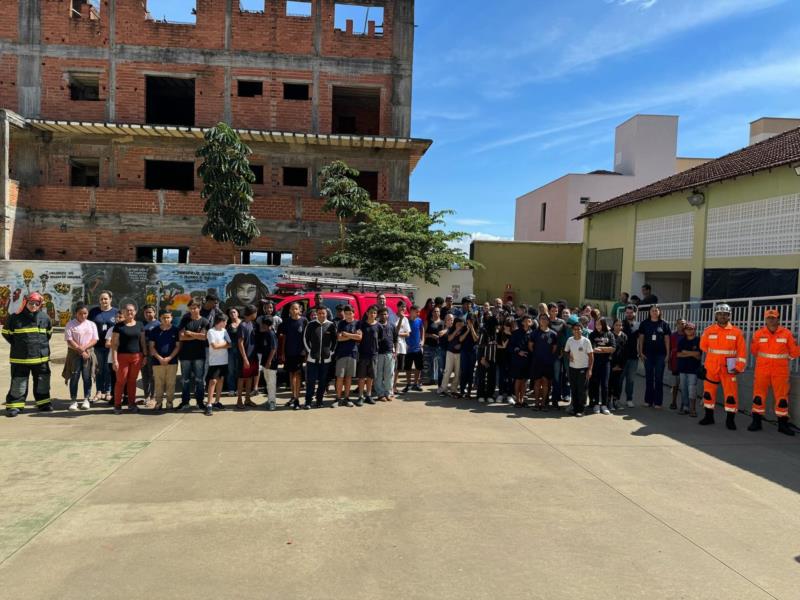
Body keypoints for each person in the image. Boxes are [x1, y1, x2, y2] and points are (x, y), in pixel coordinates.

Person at [748, 309, 799, 435]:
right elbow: (754, 351)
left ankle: (782, 425)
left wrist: (785, 360)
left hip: (780, 371)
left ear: (778, 319)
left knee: (782, 399)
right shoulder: (758, 334)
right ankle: (756, 422)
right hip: (762, 370)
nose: (771, 320)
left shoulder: (786, 333)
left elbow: (795, 351)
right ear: (765, 319)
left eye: (774, 317)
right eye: (769, 317)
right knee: (758, 397)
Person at [3, 292, 53, 417]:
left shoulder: (45, 318)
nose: (34, 306)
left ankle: (44, 403)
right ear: (25, 303)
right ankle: (15, 406)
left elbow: (48, 334)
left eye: (37, 303)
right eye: (31, 303)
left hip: (41, 357)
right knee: (19, 382)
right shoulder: (14, 318)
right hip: (20, 358)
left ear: (40, 304)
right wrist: (20, 345)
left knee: (43, 381)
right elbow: (6, 333)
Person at [698, 304, 746, 430]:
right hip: (712, 367)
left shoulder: (737, 332)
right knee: (708, 394)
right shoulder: (708, 330)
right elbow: (703, 346)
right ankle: (709, 417)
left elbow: (742, 351)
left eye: (725, 314)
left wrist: (739, 366)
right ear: (716, 315)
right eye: (720, 314)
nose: (722, 316)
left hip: (729, 367)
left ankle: (730, 420)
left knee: (731, 395)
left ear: (729, 316)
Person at [111, 302, 146, 414]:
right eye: (127, 310)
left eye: (131, 310)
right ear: (123, 312)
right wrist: (115, 360)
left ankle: (131, 404)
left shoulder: (140, 325)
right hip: (122, 357)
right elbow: (114, 344)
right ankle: (117, 405)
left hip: (137, 357)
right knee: (121, 381)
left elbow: (143, 342)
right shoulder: (118, 326)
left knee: (132, 381)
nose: (129, 312)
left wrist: (145, 356)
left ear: (135, 312)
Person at [63, 302, 99, 411]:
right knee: (74, 377)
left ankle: (86, 399)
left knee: (87, 377)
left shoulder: (91, 324)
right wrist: (81, 350)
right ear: (76, 314)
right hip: (74, 354)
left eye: (85, 313)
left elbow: (95, 339)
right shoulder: (70, 324)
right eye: (80, 314)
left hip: (88, 354)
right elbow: (69, 340)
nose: (83, 316)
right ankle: (73, 400)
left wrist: (84, 349)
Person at [303, 305, 337, 409]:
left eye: (323, 313)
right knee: (311, 381)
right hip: (312, 359)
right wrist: (310, 351)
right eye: (319, 313)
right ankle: (308, 401)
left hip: (326, 359)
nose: (321, 315)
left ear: (326, 314)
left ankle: (319, 401)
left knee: (323, 381)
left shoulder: (331, 325)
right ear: (316, 314)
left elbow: (335, 341)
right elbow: (305, 339)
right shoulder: (311, 324)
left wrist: (330, 353)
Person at [177, 300, 209, 411]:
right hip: (185, 355)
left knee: (199, 380)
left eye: (195, 308)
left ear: (199, 308)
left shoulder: (204, 321)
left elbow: (204, 337)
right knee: (185, 380)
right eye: (191, 308)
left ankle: (200, 403)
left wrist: (190, 333)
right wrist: (197, 335)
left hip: (199, 355)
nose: (193, 310)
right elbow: (181, 337)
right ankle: (185, 402)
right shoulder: (185, 320)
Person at [637, 305, 671, 408]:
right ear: (649, 312)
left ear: (659, 312)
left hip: (661, 355)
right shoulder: (644, 323)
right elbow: (641, 339)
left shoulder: (664, 324)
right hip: (648, 354)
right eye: (652, 310)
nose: (654, 312)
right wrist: (641, 352)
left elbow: (667, 340)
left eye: (656, 310)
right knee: (649, 378)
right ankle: (648, 401)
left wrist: (668, 354)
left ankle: (658, 403)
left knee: (659, 378)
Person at [147, 309, 181, 411]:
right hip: (157, 362)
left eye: (168, 317)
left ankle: (169, 402)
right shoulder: (155, 330)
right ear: (160, 318)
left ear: (171, 318)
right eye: (164, 317)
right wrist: (160, 358)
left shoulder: (175, 330)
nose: (166, 319)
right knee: (158, 383)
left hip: (172, 361)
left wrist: (169, 358)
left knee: (171, 383)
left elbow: (178, 346)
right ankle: (159, 402)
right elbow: (151, 347)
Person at [88, 290, 117, 403]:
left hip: (111, 347)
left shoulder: (116, 312)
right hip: (97, 346)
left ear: (110, 299)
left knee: (109, 369)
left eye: (106, 298)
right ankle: (99, 391)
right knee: (99, 369)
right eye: (101, 299)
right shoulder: (93, 312)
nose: (103, 301)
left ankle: (108, 391)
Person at [278, 302, 307, 410]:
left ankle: (297, 399)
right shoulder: (286, 322)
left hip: (300, 353)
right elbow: (283, 339)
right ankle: (293, 396)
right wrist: (282, 353)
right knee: (291, 375)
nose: (294, 310)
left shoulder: (304, 321)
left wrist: (305, 351)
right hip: (289, 353)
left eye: (296, 309)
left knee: (297, 375)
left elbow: (306, 338)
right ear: (290, 310)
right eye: (292, 309)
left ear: (300, 310)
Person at [564, 321, 594, 417]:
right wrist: (569, 356)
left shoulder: (586, 341)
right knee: (574, 389)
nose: (577, 331)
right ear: (572, 330)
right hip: (572, 368)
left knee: (582, 390)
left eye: (579, 329)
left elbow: (591, 356)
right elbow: (565, 351)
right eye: (575, 329)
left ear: (582, 330)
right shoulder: (570, 340)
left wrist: (589, 370)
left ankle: (582, 410)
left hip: (583, 368)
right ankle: (575, 408)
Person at [530, 314, 558, 411]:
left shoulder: (553, 334)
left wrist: (548, 356)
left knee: (546, 383)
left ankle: (543, 403)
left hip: (548, 362)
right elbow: (530, 346)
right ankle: (536, 403)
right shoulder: (534, 333)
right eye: (541, 319)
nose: (543, 320)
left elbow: (554, 348)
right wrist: (537, 355)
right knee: (537, 383)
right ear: (539, 320)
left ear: (548, 321)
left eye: (545, 319)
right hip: (537, 362)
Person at [335, 305, 361, 407]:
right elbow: (339, 338)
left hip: (353, 353)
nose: (348, 315)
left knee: (349, 377)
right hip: (341, 354)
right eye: (346, 314)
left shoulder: (358, 323)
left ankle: (346, 398)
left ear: (353, 313)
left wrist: (347, 334)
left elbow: (359, 337)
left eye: (350, 313)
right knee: (340, 377)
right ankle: (338, 398)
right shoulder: (341, 323)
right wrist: (352, 336)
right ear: (344, 314)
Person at [588, 316, 615, 415]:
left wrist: (601, 349)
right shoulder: (592, 334)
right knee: (595, 383)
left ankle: (604, 404)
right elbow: (592, 349)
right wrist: (605, 349)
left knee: (605, 384)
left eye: (600, 324)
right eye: (596, 324)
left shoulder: (609, 334)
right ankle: (596, 404)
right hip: (595, 363)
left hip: (606, 363)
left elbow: (613, 348)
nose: (598, 326)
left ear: (603, 324)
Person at [205, 314, 231, 416]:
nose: (226, 323)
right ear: (220, 321)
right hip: (214, 361)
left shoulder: (224, 331)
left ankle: (217, 402)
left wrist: (223, 345)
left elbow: (230, 343)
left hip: (224, 361)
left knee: (221, 380)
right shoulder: (211, 331)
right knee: (213, 382)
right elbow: (214, 346)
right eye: (225, 321)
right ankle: (209, 404)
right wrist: (224, 344)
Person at [357, 305, 381, 405]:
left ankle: (368, 395)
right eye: (371, 312)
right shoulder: (362, 324)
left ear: (376, 315)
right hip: (363, 354)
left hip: (374, 355)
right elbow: (358, 338)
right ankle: (360, 396)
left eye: (374, 313)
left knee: (371, 377)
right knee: (362, 377)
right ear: (367, 313)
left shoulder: (379, 326)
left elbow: (380, 339)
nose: (372, 314)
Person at [676, 322, 701, 416]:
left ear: (695, 330)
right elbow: (678, 354)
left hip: (693, 370)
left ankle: (692, 409)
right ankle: (685, 407)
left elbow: (698, 355)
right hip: (682, 369)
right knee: (683, 388)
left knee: (692, 389)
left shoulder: (698, 340)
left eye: (691, 329)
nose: (689, 331)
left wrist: (685, 352)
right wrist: (692, 353)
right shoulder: (682, 341)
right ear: (684, 330)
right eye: (687, 329)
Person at [237, 305, 259, 409]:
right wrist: (245, 359)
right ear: (252, 313)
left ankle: (247, 399)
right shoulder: (242, 325)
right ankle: (239, 400)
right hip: (245, 357)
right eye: (256, 312)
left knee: (250, 378)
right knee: (242, 378)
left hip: (253, 356)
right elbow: (240, 343)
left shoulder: (251, 323)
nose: (256, 314)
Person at [374, 307, 397, 402]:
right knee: (378, 374)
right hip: (379, 353)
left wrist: (395, 351)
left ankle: (388, 393)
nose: (384, 316)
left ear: (388, 315)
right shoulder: (376, 326)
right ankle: (380, 394)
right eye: (382, 314)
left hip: (389, 353)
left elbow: (395, 340)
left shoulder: (392, 326)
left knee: (389, 374)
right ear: (378, 315)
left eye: (385, 314)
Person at [618, 305, 639, 408]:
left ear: (635, 313)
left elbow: (641, 340)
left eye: (631, 312)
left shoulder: (638, 325)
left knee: (631, 380)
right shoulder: (620, 324)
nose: (629, 314)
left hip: (634, 357)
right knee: (619, 379)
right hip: (621, 357)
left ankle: (629, 399)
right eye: (627, 312)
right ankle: (616, 399)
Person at [510, 314, 532, 407]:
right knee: (518, 380)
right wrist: (519, 352)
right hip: (518, 359)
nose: (528, 322)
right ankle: (517, 400)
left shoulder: (533, 333)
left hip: (528, 360)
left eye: (530, 320)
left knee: (525, 381)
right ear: (522, 322)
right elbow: (511, 346)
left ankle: (522, 399)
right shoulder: (516, 333)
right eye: (526, 320)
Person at [140, 304, 160, 408]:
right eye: (146, 312)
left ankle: (153, 397)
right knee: (145, 376)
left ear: (154, 312)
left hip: (153, 354)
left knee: (153, 376)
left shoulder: (158, 324)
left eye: (150, 312)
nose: (148, 314)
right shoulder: (141, 324)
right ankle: (146, 396)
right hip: (143, 354)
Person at [547, 303, 567, 408]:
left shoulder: (562, 322)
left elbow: (564, 339)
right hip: (546, 353)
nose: (555, 312)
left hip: (558, 354)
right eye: (552, 310)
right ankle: (545, 398)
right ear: (549, 311)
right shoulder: (545, 321)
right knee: (546, 377)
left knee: (557, 377)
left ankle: (555, 399)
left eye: (556, 310)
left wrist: (562, 351)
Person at [438, 317, 464, 397]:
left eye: (461, 324)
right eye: (458, 323)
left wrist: (461, 345)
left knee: (457, 372)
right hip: (450, 352)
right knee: (447, 371)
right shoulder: (451, 329)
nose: (460, 325)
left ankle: (454, 389)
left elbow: (464, 341)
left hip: (459, 354)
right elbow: (449, 339)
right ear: (455, 323)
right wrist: (456, 330)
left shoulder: (464, 330)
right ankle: (443, 389)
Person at [402, 305, 425, 393]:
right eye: (417, 312)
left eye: (419, 312)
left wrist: (422, 341)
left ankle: (415, 384)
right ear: (411, 311)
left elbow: (422, 329)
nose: (418, 313)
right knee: (408, 368)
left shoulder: (419, 320)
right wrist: (405, 343)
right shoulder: (406, 320)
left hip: (418, 348)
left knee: (418, 367)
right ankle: (408, 384)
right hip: (408, 349)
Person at [475, 314, 498, 403]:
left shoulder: (496, 333)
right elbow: (480, 345)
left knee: (492, 378)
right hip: (483, 358)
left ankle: (490, 395)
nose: (497, 327)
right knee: (482, 377)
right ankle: (480, 395)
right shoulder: (483, 331)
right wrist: (482, 358)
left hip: (493, 358)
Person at [608, 319, 627, 411]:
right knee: (610, 383)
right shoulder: (609, 335)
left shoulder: (624, 336)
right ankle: (609, 402)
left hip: (621, 365)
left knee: (618, 384)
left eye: (620, 325)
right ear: (613, 325)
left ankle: (616, 401)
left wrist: (620, 365)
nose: (619, 327)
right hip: (611, 364)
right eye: (616, 325)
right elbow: (609, 351)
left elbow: (625, 352)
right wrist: (613, 366)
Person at [260, 317, 279, 411]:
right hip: (265, 361)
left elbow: (273, 348)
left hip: (271, 362)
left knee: (271, 382)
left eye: (263, 324)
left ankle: (272, 402)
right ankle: (269, 399)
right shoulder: (266, 333)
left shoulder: (271, 334)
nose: (261, 326)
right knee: (268, 382)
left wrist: (269, 361)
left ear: (266, 325)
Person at [668, 319, 686, 410]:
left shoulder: (688, 335)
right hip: (675, 362)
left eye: (683, 324)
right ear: (676, 324)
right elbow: (669, 349)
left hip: (685, 364)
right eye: (679, 323)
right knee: (675, 385)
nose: (681, 325)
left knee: (684, 385)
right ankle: (673, 402)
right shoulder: (673, 336)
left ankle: (684, 404)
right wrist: (669, 362)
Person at [423, 307, 444, 385]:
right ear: (432, 313)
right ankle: (428, 380)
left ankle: (437, 380)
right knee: (428, 363)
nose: (436, 313)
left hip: (439, 346)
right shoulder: (428, 321)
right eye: (434, 311)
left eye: (438, 311)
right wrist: (432, 336)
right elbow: (423, 333)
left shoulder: (443, 322)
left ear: (440, 313)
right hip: (428, 345)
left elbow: (445, 333)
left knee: (438, 364)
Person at [225, 307, 242, 394]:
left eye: (234, 312)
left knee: (239, 370)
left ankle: (239, 389)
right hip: (231, 351)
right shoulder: (228, 326)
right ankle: (231, 389)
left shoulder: (243, 323)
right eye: (231, 313)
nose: (232, 314)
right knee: (231, 370)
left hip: (242, 350)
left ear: (238, 313)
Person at [496, 318, 513, 404]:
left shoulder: (514, 334)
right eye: (506, 325)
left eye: (509, 325)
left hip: (511, 359)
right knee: (501, 377)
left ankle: (509, 395)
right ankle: (501, 394)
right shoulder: (499, 333)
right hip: (501, 358)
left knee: (510, 378)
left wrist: (510, 335)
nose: (507, 327)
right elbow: (500, 346)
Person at [394, 302, 410, 395]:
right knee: (393, 368)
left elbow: (407, 334)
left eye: (404, 307)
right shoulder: (393, 317)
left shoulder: (406, 319)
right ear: (397, 307)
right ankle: (391, 387)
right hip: (394, 345)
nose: (403, 308)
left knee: (398, 368)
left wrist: (398, 334)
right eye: (401, 307)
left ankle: (394, 386)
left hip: (402, 346)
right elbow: (394, 331)